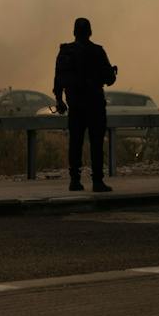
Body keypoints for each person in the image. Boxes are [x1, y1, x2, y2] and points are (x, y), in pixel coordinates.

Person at [53, 17, 117, 193]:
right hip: (94, 104)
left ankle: (75, 180)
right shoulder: (97, 51)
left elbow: (58, 78)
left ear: (74, 32)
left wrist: (59, 100)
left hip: (75, 105)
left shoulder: (66, 52)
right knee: (96, 143)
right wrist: (112, 73)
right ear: (90, 32)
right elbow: (109, 79)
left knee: (75, 143)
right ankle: (97, 181)